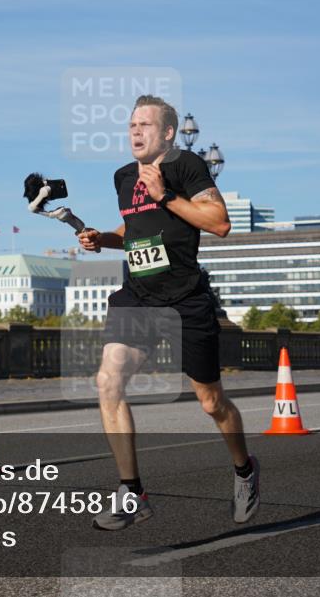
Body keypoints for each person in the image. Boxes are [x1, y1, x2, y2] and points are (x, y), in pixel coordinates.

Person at [77, 94, 259, 531]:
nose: (135, 132)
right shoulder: (122, 177)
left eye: (145, 125)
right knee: (108, 380)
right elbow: (136, 227)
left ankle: (245, 470)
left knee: (211, 402)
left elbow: (219, 222)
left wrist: (167, 194)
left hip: (185, 299)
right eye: (131, 125)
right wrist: (104, 238)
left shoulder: (186, 167)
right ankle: (131, 490)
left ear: (169, 133)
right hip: (139, 296)